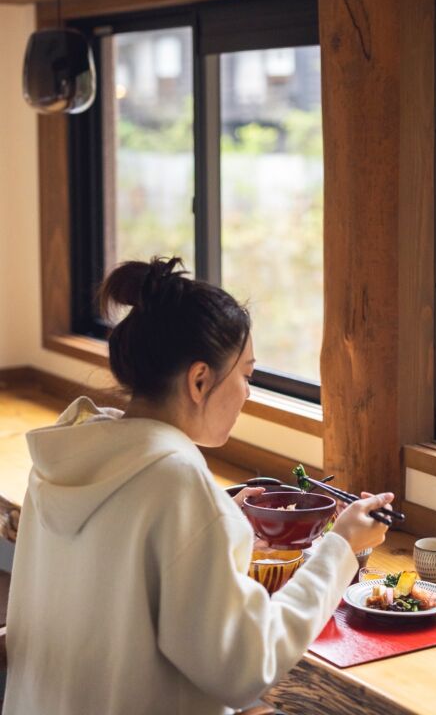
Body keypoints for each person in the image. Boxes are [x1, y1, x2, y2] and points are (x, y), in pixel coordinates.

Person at [4, 257, 393, 715]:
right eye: (246, 376)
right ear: (200, 379)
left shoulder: (67, 456)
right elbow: (244, 667)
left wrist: (220, 513)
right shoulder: (176, 481)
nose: (248, 393)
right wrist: (342, 546)